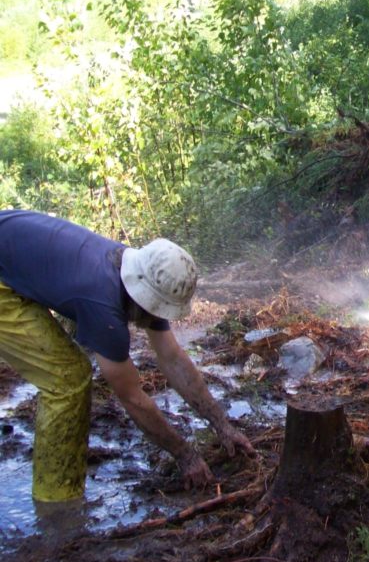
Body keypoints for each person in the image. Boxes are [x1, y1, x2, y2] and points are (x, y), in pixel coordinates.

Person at [0, 209, 255, 503]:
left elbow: (172, 358)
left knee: (71, 374)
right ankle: (55, 504)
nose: (160, 317)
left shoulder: (139, 273)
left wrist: (222, 425)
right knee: (67, 380)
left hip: (12, 257)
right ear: (143, 295)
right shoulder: (102, 303)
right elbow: (132, 397)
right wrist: (185, 455)